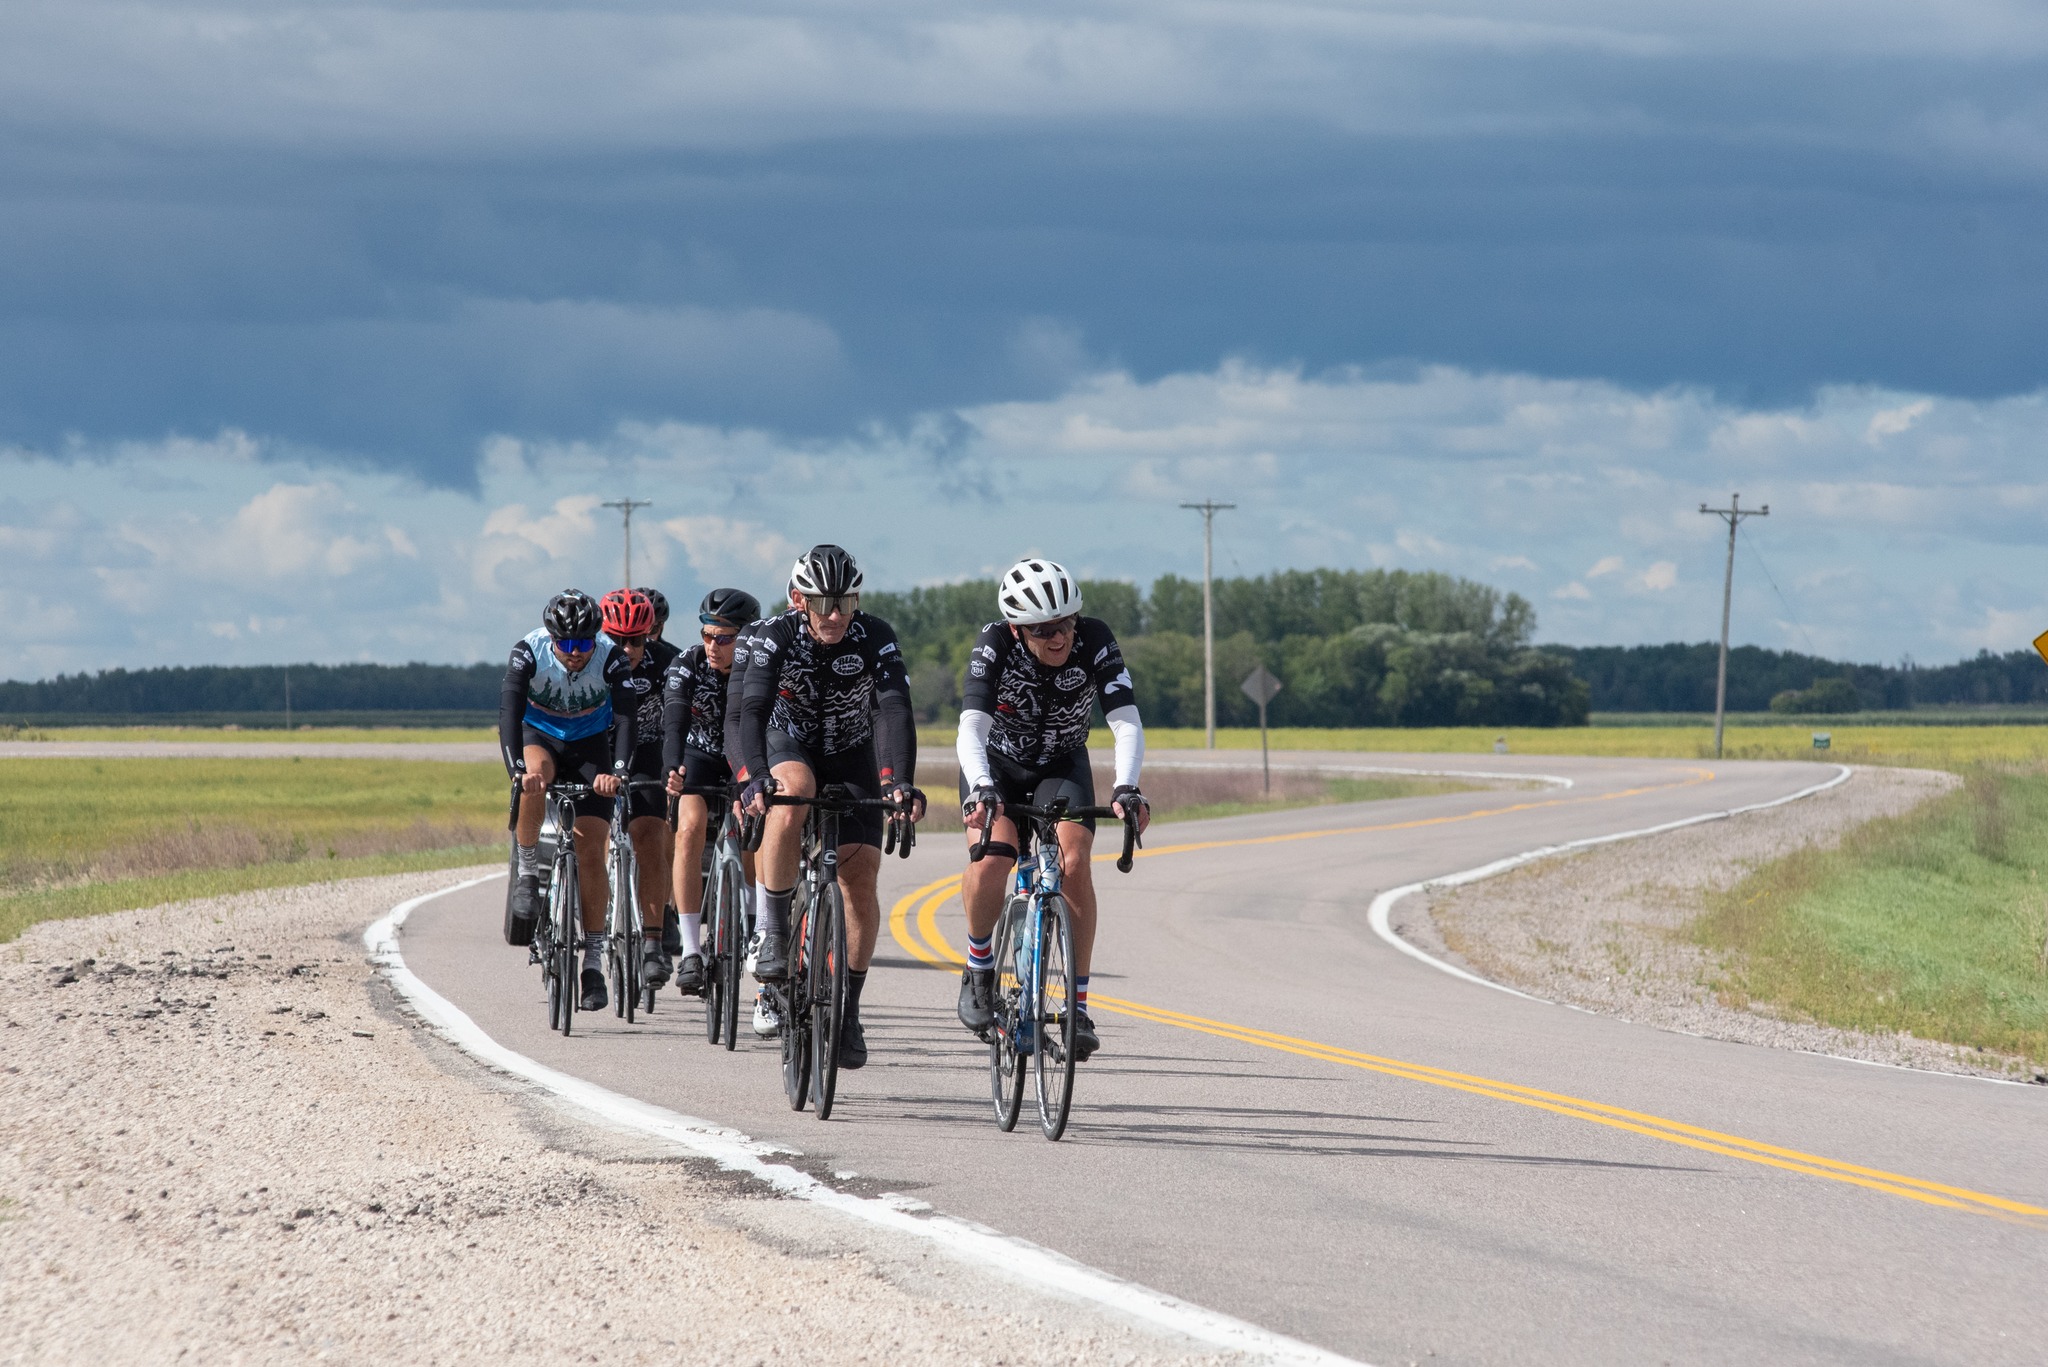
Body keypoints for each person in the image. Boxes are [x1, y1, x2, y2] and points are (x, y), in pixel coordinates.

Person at [954, 558, 1150, 1062]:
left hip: (1062, 762)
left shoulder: (1094, 638)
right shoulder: (994, 644)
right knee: (994, 856)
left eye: (1065, 623)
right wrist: (980, 787)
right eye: (1043, 630)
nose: (1058, 636)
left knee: (1075, 863)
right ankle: (978, 968)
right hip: (996, 765)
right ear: (1018, 630)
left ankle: (1078, 1006)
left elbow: (1125, 720)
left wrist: (1126, 786)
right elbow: (971, 728)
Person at [737, 545, 925, 1070]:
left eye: (844, 601)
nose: (836, 614)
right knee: (791, 792)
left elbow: (893, 711)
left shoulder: (875, 635)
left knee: (860, 876)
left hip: (850, 750)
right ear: (799, 600)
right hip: (787, 741)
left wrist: (899, 783)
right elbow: (750, 710)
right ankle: (775, 932)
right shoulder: (774, 635)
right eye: (823, 603)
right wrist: (753, 778)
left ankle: (848, 1009)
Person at [499, 589, 640, 1012]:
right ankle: (527, 873)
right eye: (566, 644)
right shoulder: (528, 651)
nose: (575, 653)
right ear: (551, 637)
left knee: (592, 851)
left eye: (584, 644)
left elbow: (626, 717)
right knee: (534, 780)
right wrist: (516, 772)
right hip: (539, 736)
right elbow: (508, 712)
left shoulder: (611, 657)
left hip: (588, 745)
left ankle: (593, 962)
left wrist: (617, 771)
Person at [661, 586, 762, 996]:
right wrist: (671, 768)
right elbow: (674, 721)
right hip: (699, 754)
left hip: (746, 758)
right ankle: (689, 949)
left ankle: (756, 926)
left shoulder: (761, 663)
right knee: (689, 828)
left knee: (756, 826)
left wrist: (751, 781)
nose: (712, 646)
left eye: (723, 638)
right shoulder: (688, 664)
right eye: (707, 635)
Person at [599, 589, 681, 994]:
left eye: (636, 640)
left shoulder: (669, 663)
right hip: (599, 750)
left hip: (650, 750)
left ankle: (652, 941)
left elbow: (684, 721)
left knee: (650, 835)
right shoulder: (589, 661)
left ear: (651, 634)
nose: (627, 648)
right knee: (590, 833)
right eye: (617, 639)